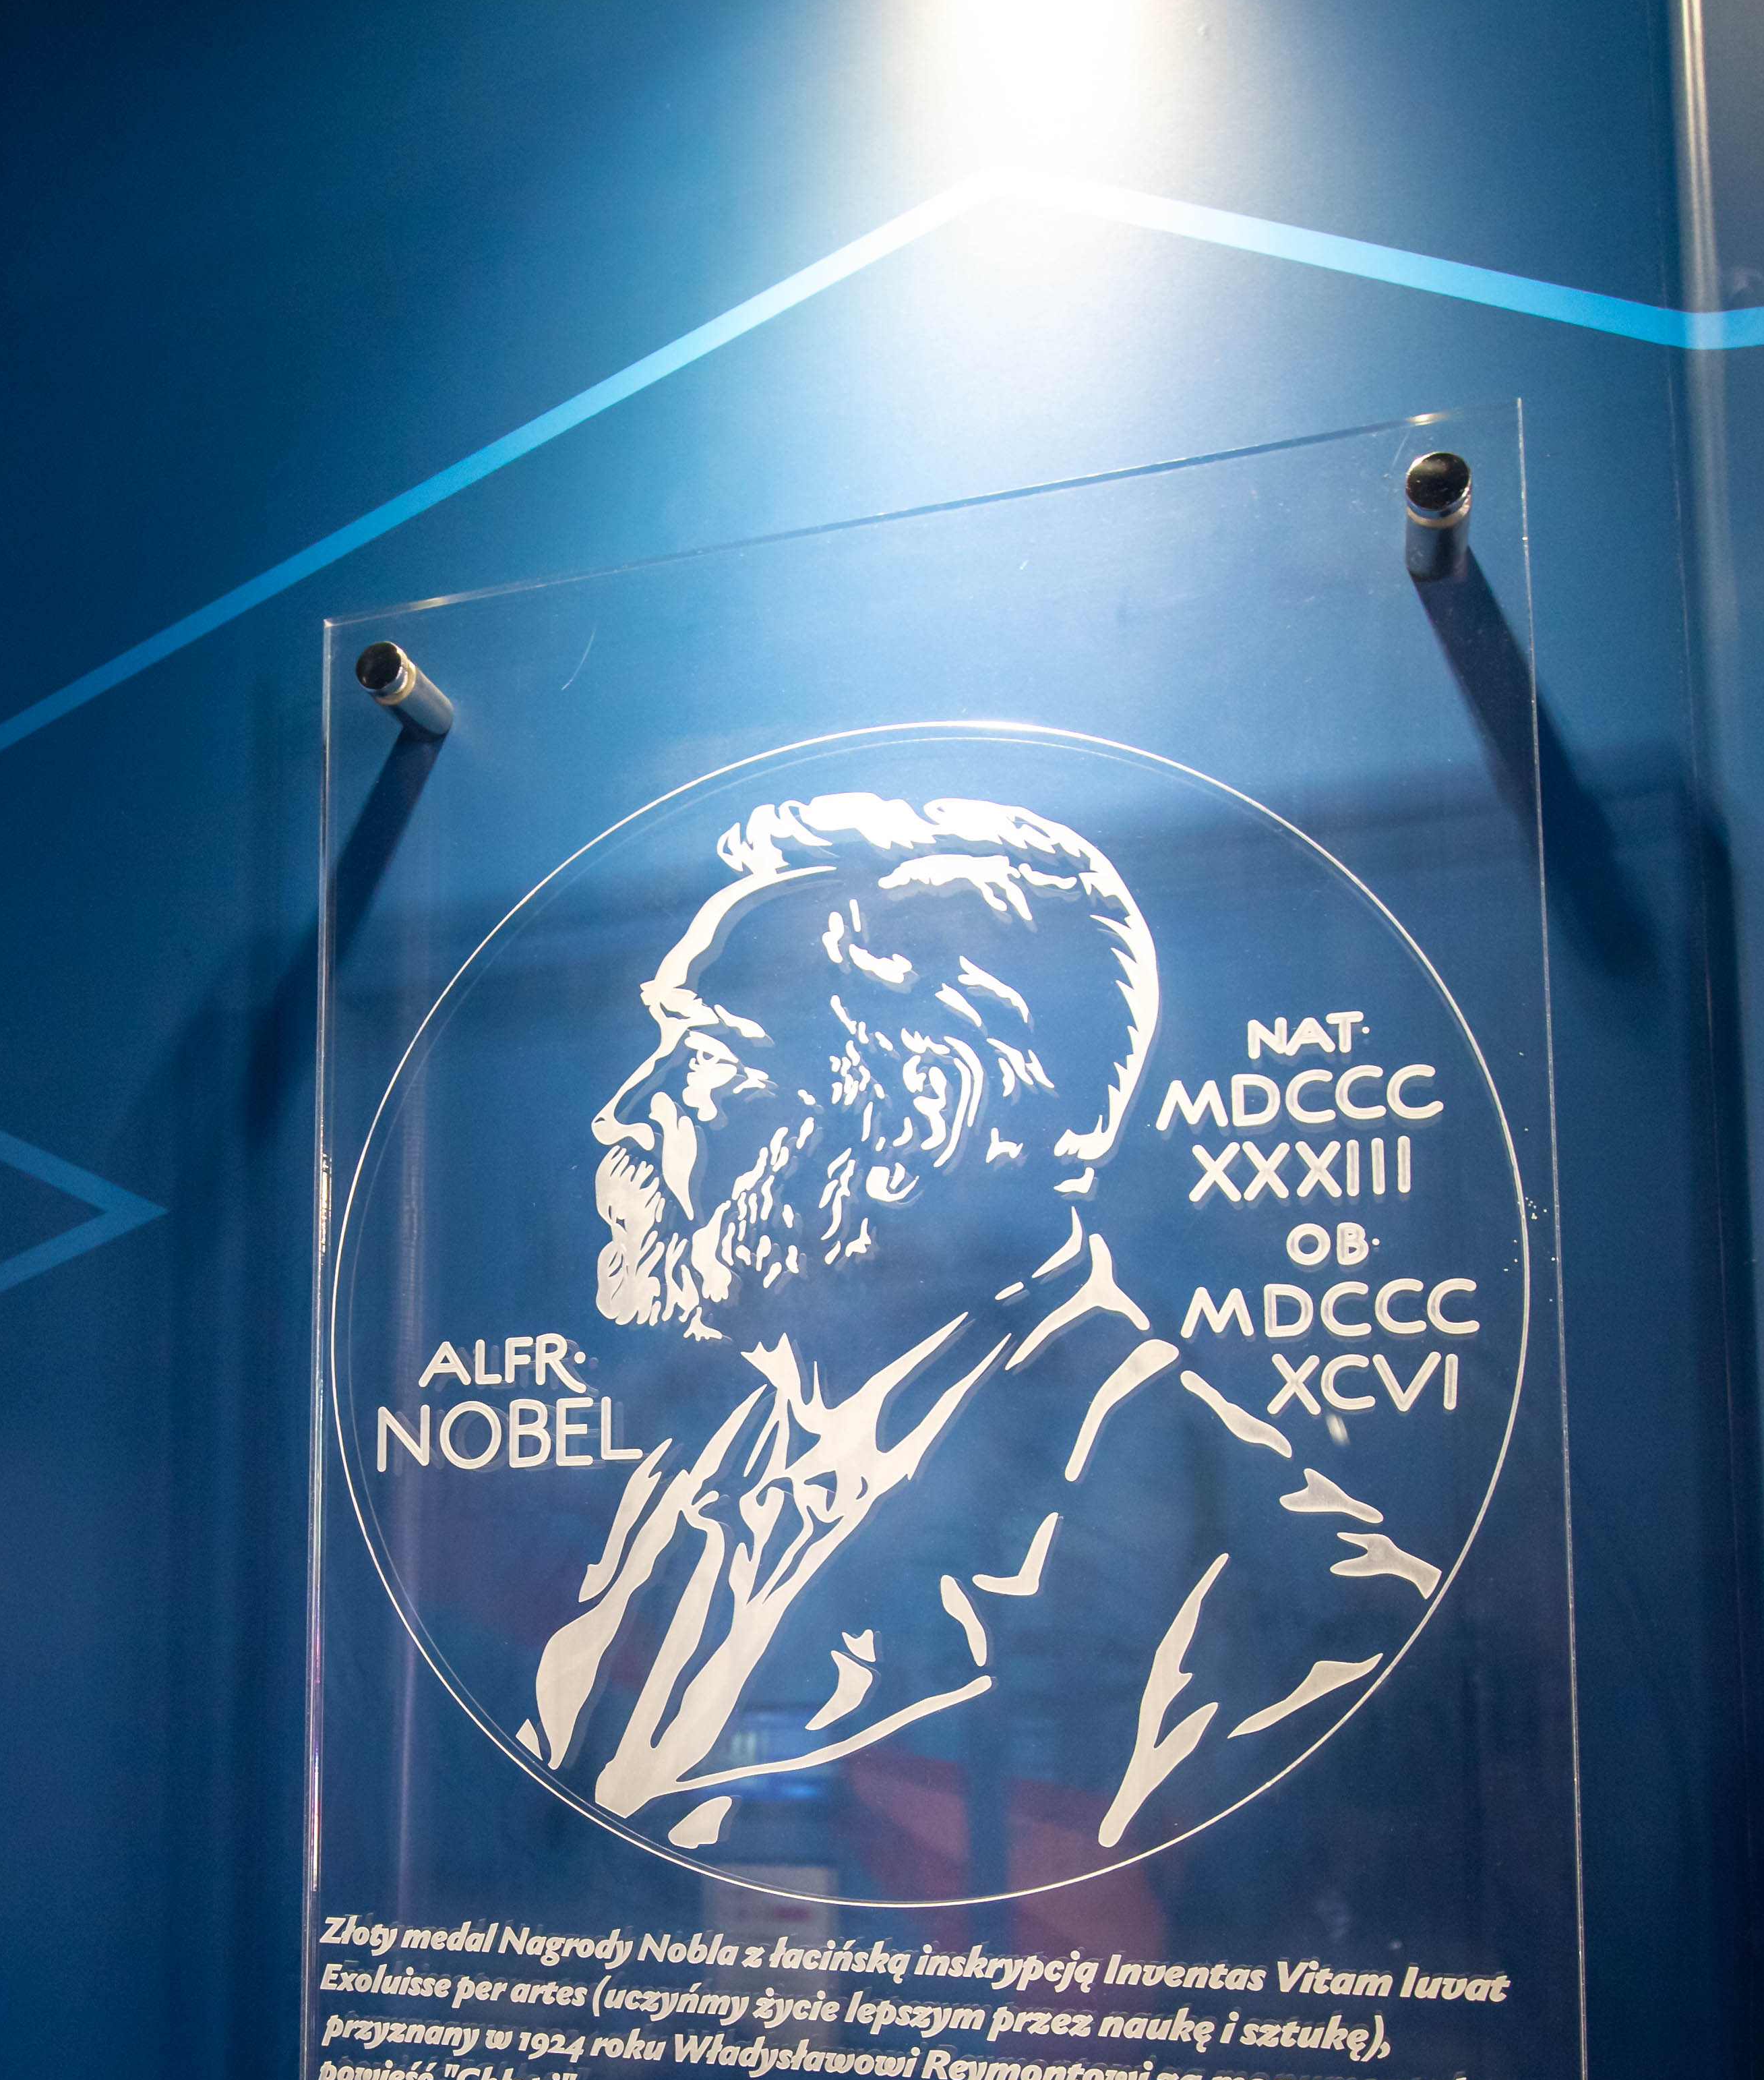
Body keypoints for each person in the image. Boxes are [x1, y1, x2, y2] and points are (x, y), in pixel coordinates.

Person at [533, 790, 1443, 1868]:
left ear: (925, 1112)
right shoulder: (690, 1487)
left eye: (706, 1055)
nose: (625, 1108)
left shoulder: (1284, 1598)